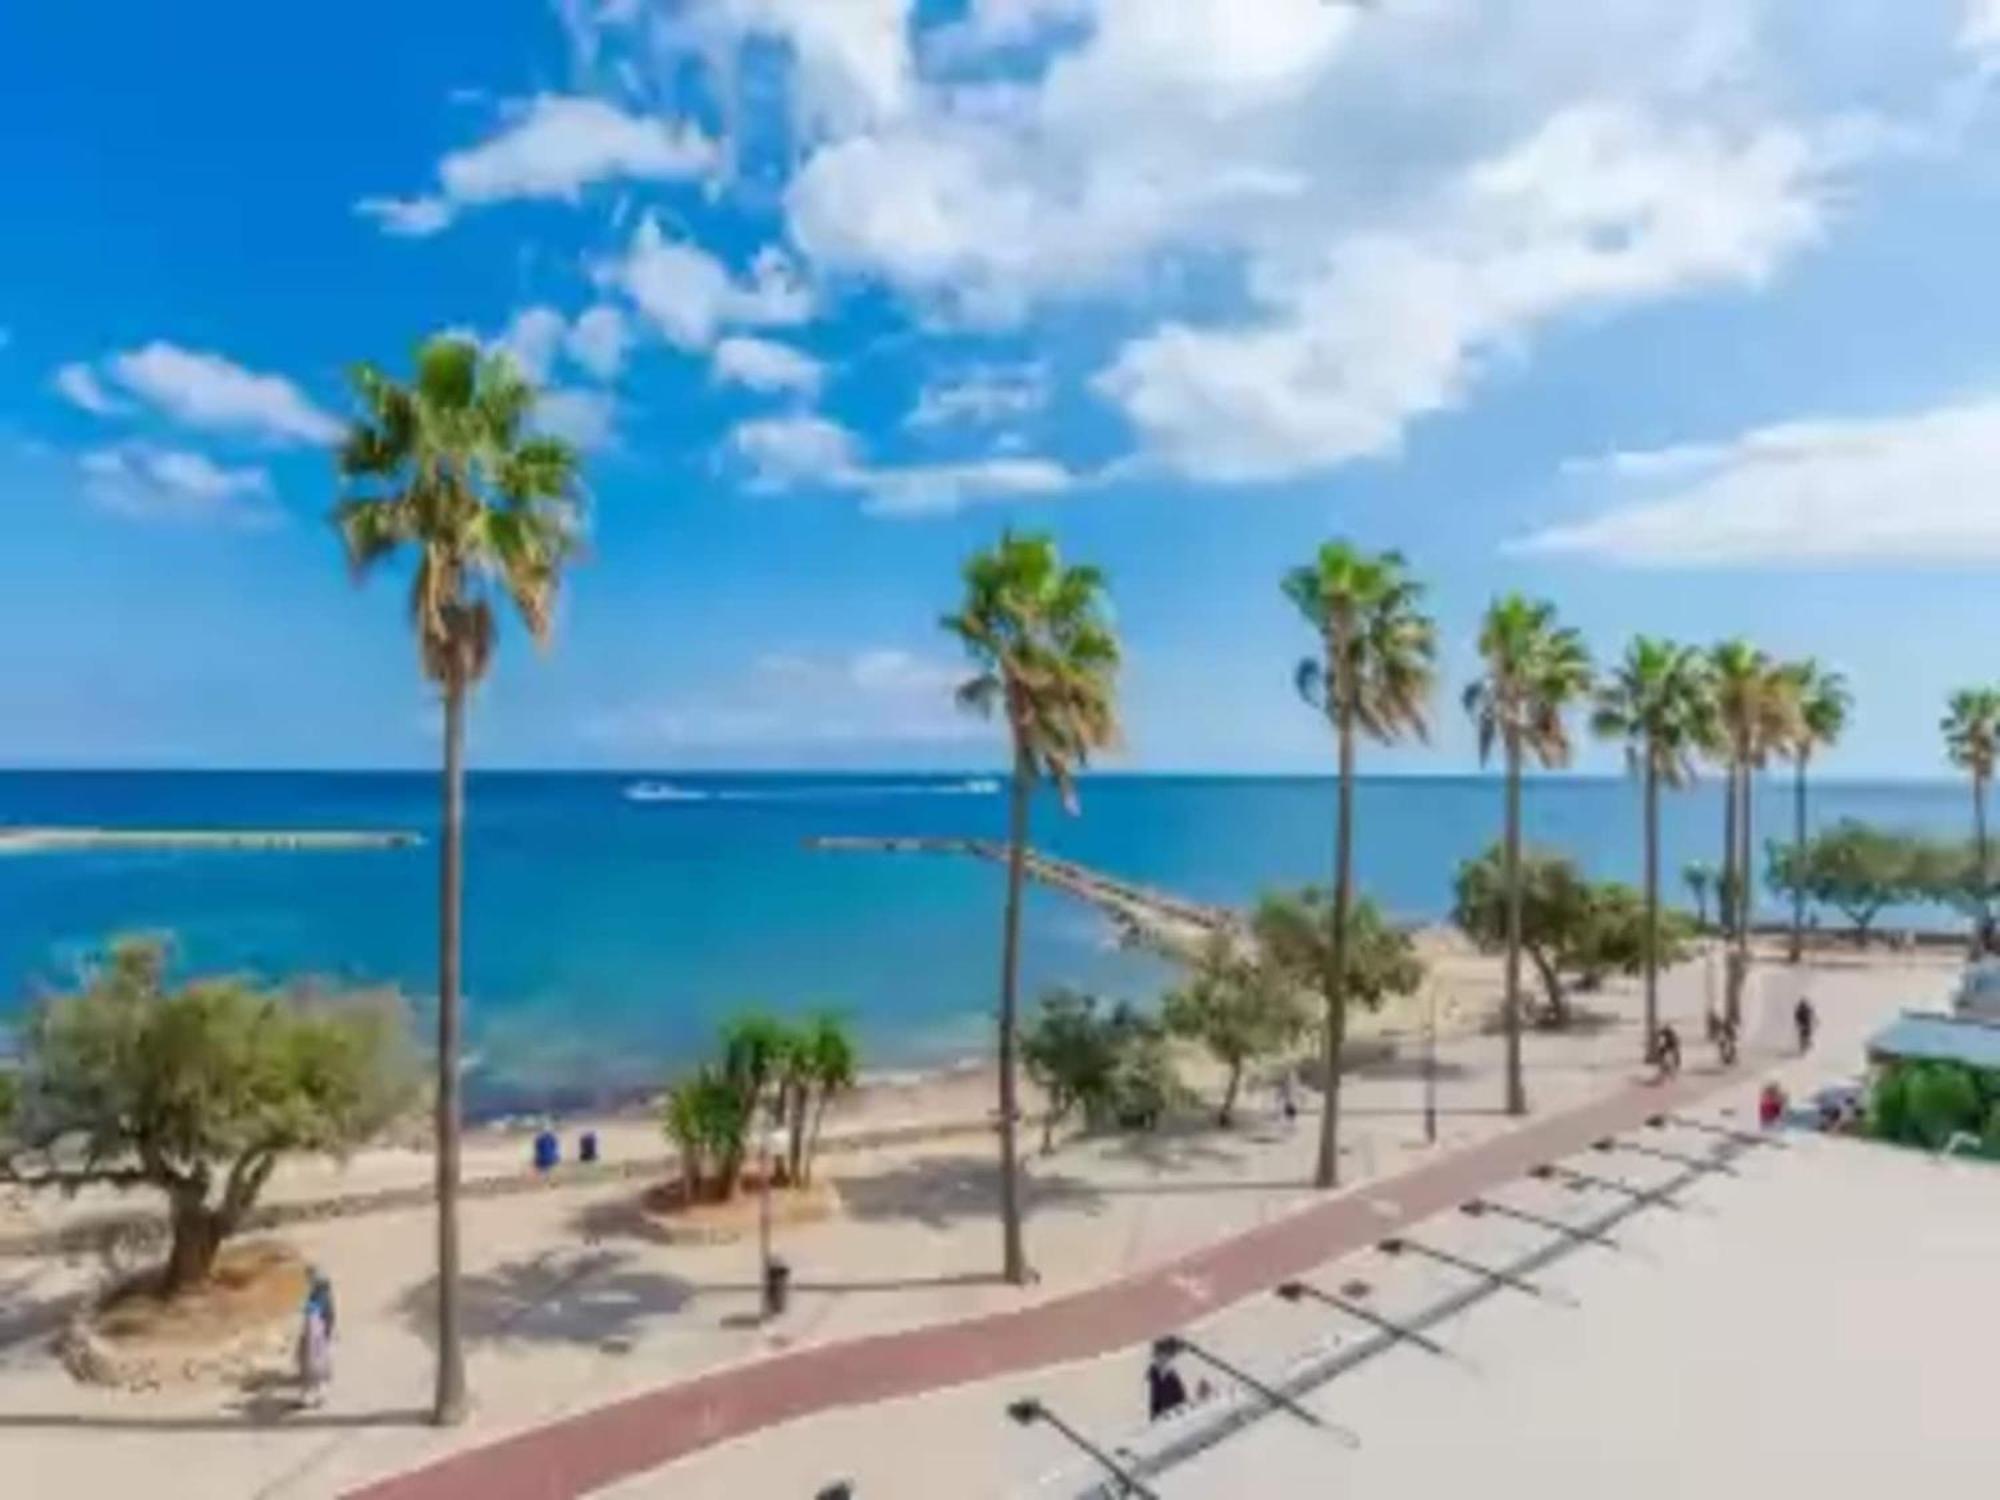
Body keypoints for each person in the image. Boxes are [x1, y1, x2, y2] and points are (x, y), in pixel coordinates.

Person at [297, 1267, 335, 1406]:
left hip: (317, 1334)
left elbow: (328, 1318)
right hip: (314, 1333)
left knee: (315, 1364)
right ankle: (314, 1393)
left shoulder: (322, 1298)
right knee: (313, 1364)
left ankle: (316, 1394)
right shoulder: (317, 1297)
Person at [1146, 1342, 1188, 1421]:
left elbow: (1181, 1398)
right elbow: (1155, 1400)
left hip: (1172, 1413)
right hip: (1166, 1415)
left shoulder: (1169, 1374)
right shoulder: (1156, 1373)